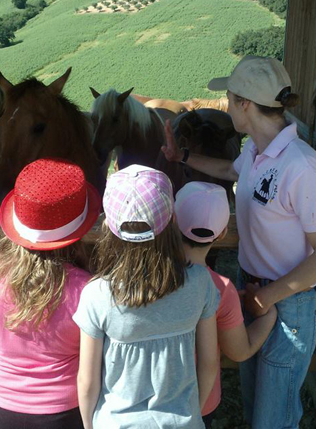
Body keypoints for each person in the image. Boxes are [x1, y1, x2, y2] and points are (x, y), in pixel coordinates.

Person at [161, 55, 316, 428]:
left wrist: (268, 296)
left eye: (229, 99)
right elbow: (230, 170)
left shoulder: (301, 166)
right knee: (255, 408)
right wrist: (183, 157)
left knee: (273, 420)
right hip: (254, 291)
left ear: (244, 104)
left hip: (287, 303)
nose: (226, 107)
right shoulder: (256, 150)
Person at [74, 165, 220, 429]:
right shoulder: (200, 282)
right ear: (173, 220)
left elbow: (87, 381)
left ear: (108, 225)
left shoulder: (96, 295)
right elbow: (210, 364)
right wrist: (191, 415)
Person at [0, 157, 101, 429]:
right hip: (67, 409)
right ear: (80, 228)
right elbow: (92, 370)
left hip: (5, 404)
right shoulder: (88, 290)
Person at [174, 181, 278, 428]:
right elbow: (239, 351)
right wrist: (269, 314)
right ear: (222, 234)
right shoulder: (221, 289)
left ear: (172, 221)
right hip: (199, 402)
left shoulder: (153, 275)